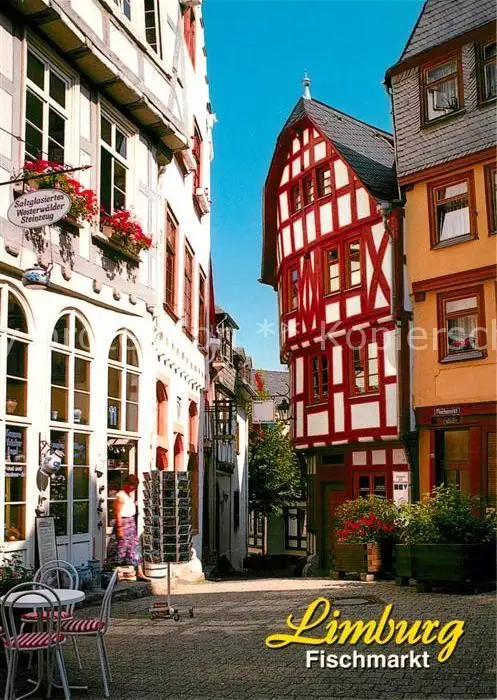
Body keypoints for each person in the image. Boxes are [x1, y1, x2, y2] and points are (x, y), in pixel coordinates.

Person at [107, 474, 148, 581]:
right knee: (119, 550)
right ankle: (114, 575)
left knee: (135, 549)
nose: (133, 489)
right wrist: (120, 528)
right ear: (127, 484)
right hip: (124, 524)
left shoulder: (128, 495)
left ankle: (139, 572)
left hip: (130, 524)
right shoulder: (120, 496)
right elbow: (117, 513)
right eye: (132, 486)